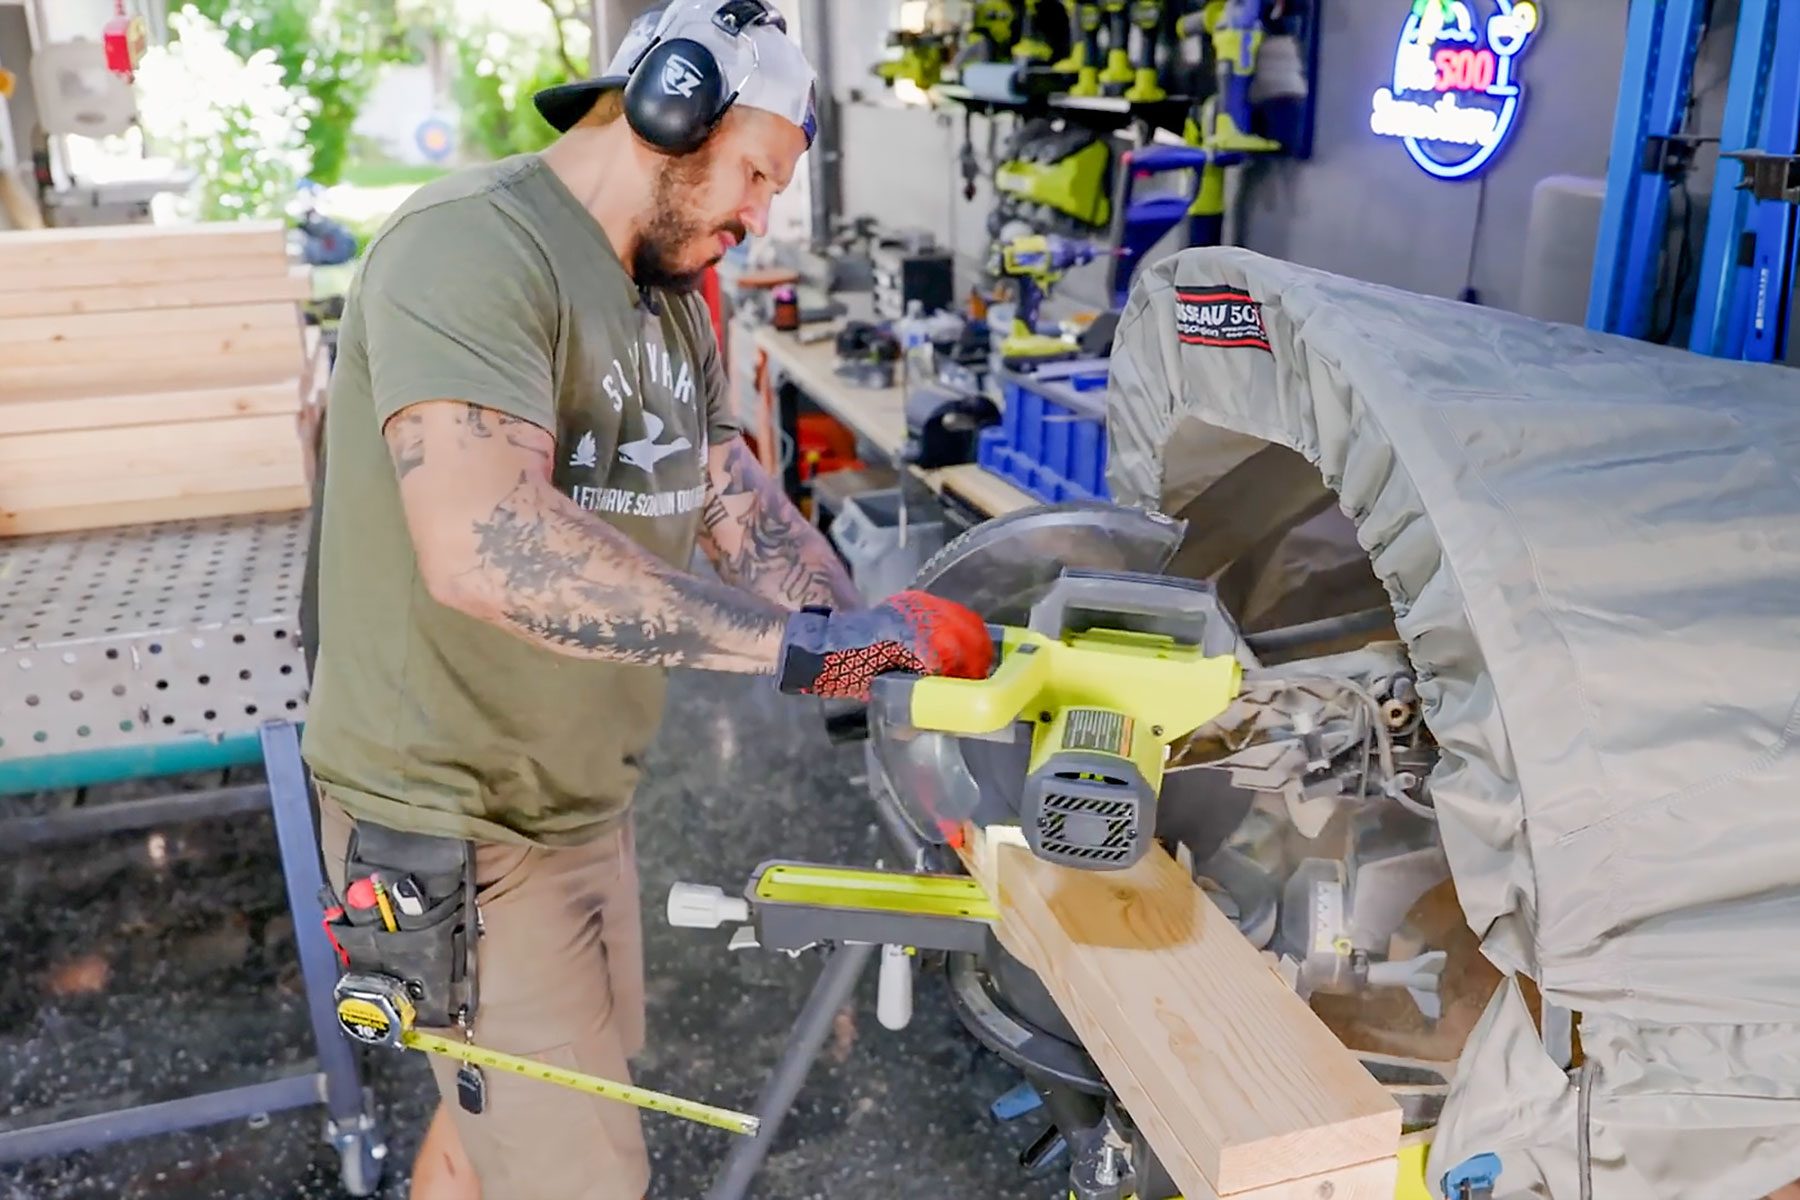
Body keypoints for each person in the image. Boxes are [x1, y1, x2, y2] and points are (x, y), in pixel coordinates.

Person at [298, 3, 993, 1197]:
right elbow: (482, 543)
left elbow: (729, 495)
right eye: (757, 175)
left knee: (488, 1123)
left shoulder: (668, 290)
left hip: (574, 806)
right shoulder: (473, 247)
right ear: (674, 106)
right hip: (457, 829)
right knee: (581, 1176)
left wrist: (877, 649)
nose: (758, 216)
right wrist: (799, 649)